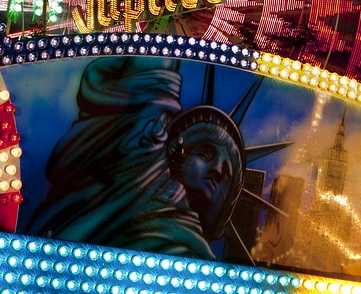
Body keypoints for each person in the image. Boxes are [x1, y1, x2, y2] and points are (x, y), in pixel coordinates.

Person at [23, 55, 250, 259]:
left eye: (228, 175)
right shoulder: (98, 187)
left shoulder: (181, 242)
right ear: (172, 150)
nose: (218, 171)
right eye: (205, 153)